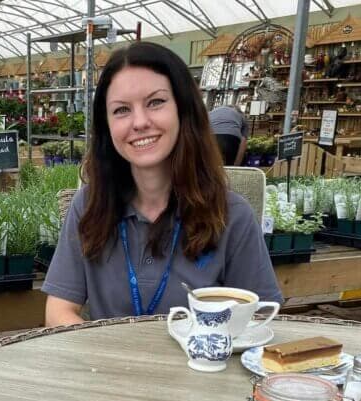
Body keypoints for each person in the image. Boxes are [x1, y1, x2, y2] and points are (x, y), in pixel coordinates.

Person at [42, 42, 282, 326]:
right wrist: (110, 364)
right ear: (106, 126)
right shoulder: (90, 205)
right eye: (121, 110)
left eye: (155, 102)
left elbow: (262, 318)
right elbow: (58, 312)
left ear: (183, 109)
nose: (140, 122)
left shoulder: (231, 215)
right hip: (106, 367)